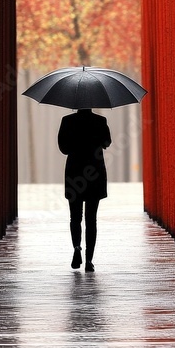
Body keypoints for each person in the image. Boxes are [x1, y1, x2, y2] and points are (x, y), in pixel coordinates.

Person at [58, 108, 112, 272]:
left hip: (74, 172)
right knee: (91, 218)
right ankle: (89, 260)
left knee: (75, 216)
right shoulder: (100, 121)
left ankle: (76, 248)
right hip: (94, 172)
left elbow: (63, 148)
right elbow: (107, 143)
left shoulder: (67, 121)